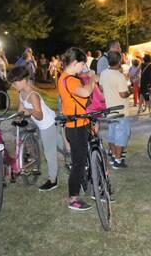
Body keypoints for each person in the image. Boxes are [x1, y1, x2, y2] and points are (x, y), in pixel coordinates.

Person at [8, 65, 63, 192]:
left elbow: (39, 114)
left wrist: (29, 111)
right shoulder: (21, 92)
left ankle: (53, 181)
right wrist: (19, 117)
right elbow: (21, 109)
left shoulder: (33, 95)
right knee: (62, 146)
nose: (13, 86)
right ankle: (76, 158)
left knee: (50, 153)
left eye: (15, 83)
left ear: (23, 80)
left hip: (48, 125)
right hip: (46, 124)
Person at [57, 47, 99, 211]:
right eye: (82, 64)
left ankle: (85, 182)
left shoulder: (64, 77)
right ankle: (73, 197)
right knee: (78, 163)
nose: (83, 68)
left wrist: (87, 76)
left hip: (76, 124)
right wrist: (93, 79)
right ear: (74, 63)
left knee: (80, 160)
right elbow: (85, 92)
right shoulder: (70, 80)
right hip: (76, 127)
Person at [99, 51, 132, 169]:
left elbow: (101, 87)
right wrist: (130, 91)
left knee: (112, 134)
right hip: (120, 110)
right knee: (122, 135)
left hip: (109, 109)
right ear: (118, 61)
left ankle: (113, 156)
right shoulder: (119, 76)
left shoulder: (103, 73)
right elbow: (123, 94)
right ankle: (118, 160)